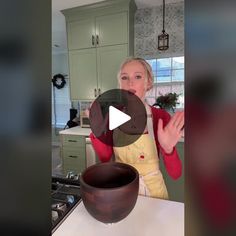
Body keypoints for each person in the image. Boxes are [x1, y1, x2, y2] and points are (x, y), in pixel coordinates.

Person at [89, 57, 184, 199]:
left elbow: (176, 174)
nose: (130, 83)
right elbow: (105, 157)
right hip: (121, 190)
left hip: (154, 196)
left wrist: (169, 149)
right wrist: (97, 131)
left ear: (148, 83)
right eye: (124, 77)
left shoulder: (159, 116)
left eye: (138, 76)